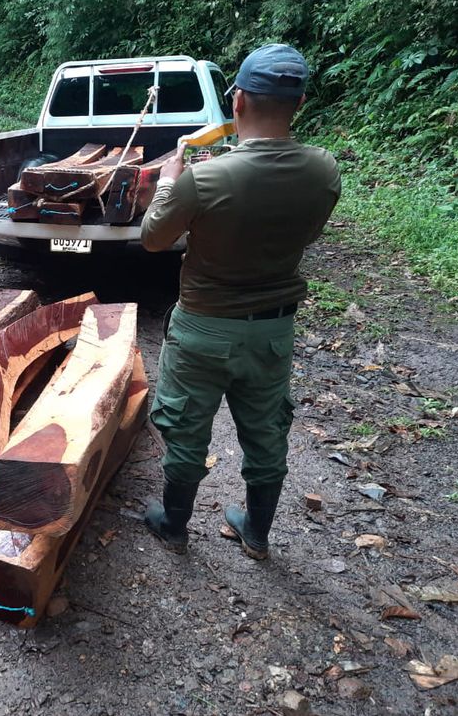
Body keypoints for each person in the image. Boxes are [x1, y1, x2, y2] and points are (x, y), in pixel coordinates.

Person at [140, 44, 342, 559]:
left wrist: (168, 184)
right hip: (272, 330)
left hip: (203, 327)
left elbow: (154, 238)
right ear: (299, 104)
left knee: (186, 426)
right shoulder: (323, 169)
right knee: (267, 430)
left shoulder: (206, 178)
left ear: (238, 101)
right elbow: (307, 233)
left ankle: (174, 524)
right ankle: (256, 533)